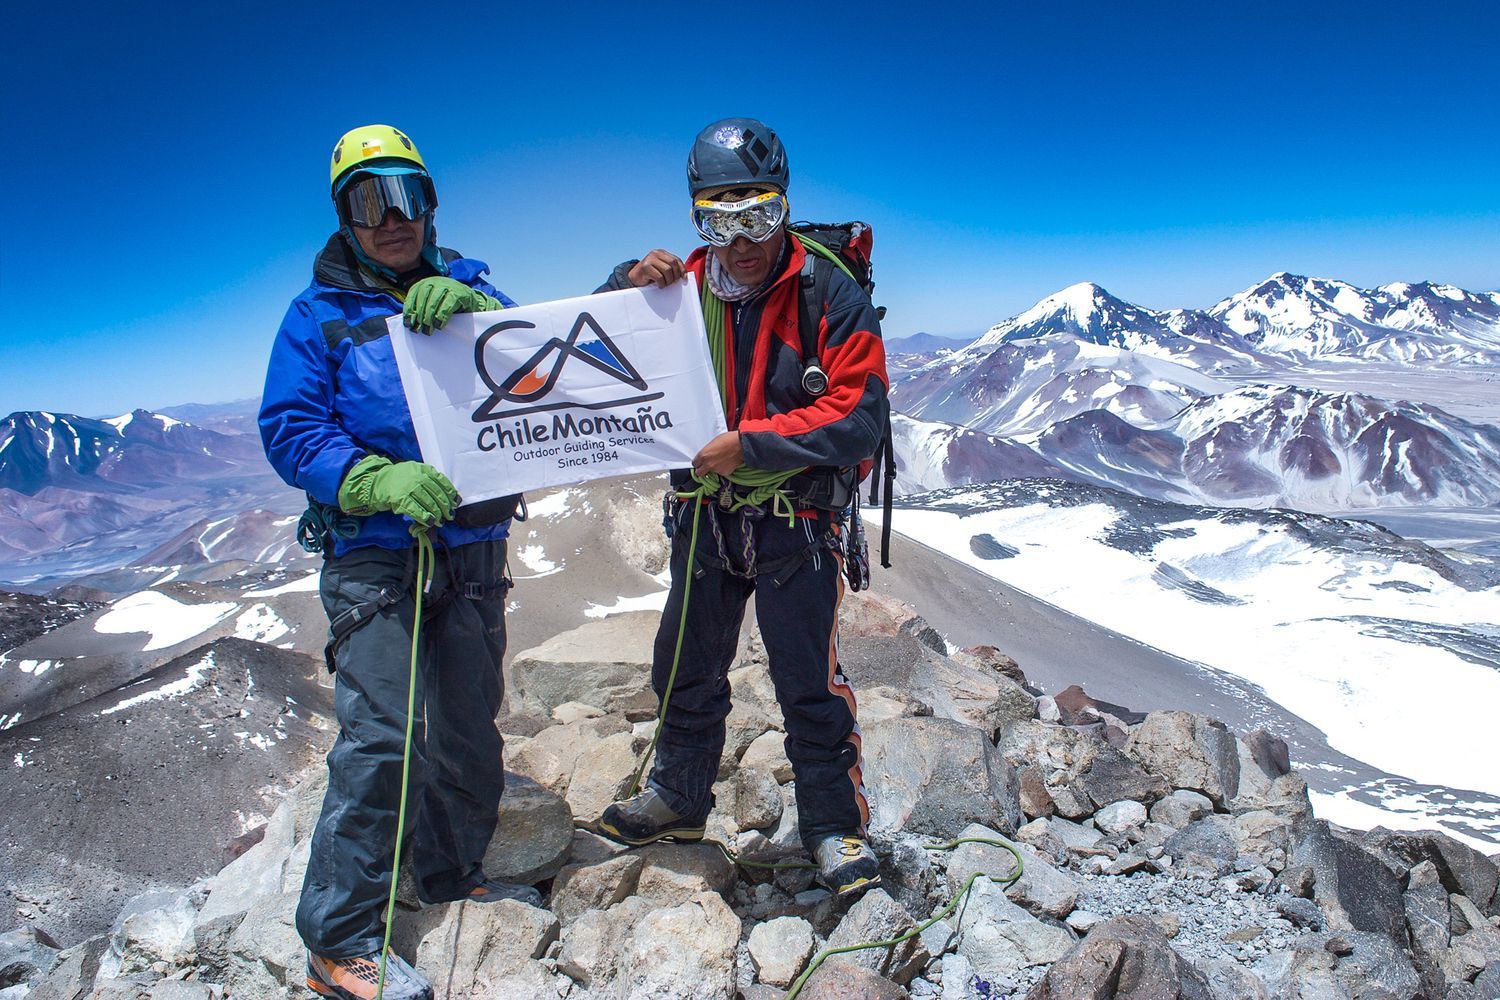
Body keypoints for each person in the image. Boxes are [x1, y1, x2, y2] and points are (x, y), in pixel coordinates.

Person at [259, 124, 538, 1000]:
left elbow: (534, 372)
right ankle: (339, 938)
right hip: (376, 559)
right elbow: (289, 427)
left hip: (473, 549)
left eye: (406, 196)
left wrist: (472, 309)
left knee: (465, 724)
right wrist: (370, 477)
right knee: (382, 737)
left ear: (430, 204)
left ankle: (452, 872)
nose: (391, 218)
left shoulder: (475, 290)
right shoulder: (316, 318)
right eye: (367, 200)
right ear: (344, 216)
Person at [594, 117, 890, 897]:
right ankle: (678, 799)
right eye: (719, 219)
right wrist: (623, 282)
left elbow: (861, 416)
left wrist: (749, 445)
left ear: (784, 206)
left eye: (758, 213)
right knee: (685, 666)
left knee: (805, 681)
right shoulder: (676, 289)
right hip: (705, 516)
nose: (742, 238)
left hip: (795, 519)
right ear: (699, 217)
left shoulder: (827, 288)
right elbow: (589, 347)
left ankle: (834, 828)